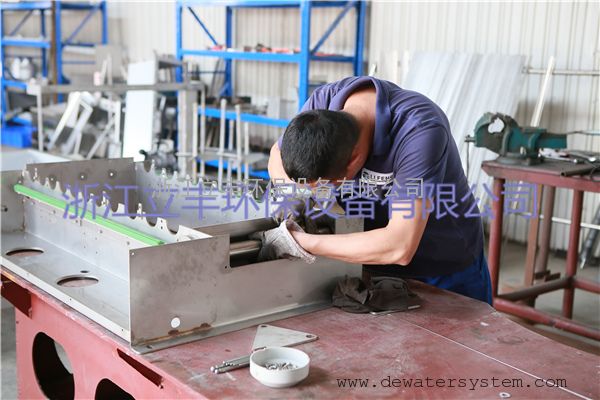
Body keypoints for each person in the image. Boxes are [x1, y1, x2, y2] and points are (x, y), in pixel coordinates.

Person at [267, 76, 492, 304]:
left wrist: (301, 242)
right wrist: (294, 193)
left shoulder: (419, 131)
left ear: (354, 160)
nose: (322, 192)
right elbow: (277, 153)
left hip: (440, 268)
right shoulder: (323, 106)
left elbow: (400, 245)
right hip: (367, 259)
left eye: (329, 184)